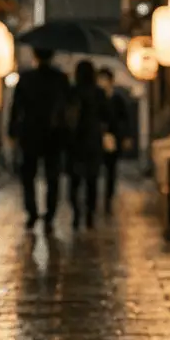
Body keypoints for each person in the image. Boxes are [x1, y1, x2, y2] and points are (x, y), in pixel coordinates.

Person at [8, 49, 69, 232]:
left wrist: (12, 131)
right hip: (53, 134)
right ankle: (49, 214)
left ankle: (32, 212)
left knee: (28, 176)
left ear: (35, 56)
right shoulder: (60, 79)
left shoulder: (26, 78)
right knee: (53, 177)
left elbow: (16, 107)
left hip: (30, 132)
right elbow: (66, 107)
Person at [66, 59, 107, 230]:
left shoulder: (72, 92)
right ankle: (89, 215)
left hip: (74, 141)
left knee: (74, 181)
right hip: (93, 141)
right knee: (92, 181)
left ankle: (76, 213)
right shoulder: (99, 93)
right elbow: (106, 115)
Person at [97, 67, 130, 214]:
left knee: (111, 169)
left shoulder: (117, 99)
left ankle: (108, 197)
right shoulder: (96, 97)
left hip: (113, 137)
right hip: (98, 137)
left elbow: (124, 118)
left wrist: (126, 137)